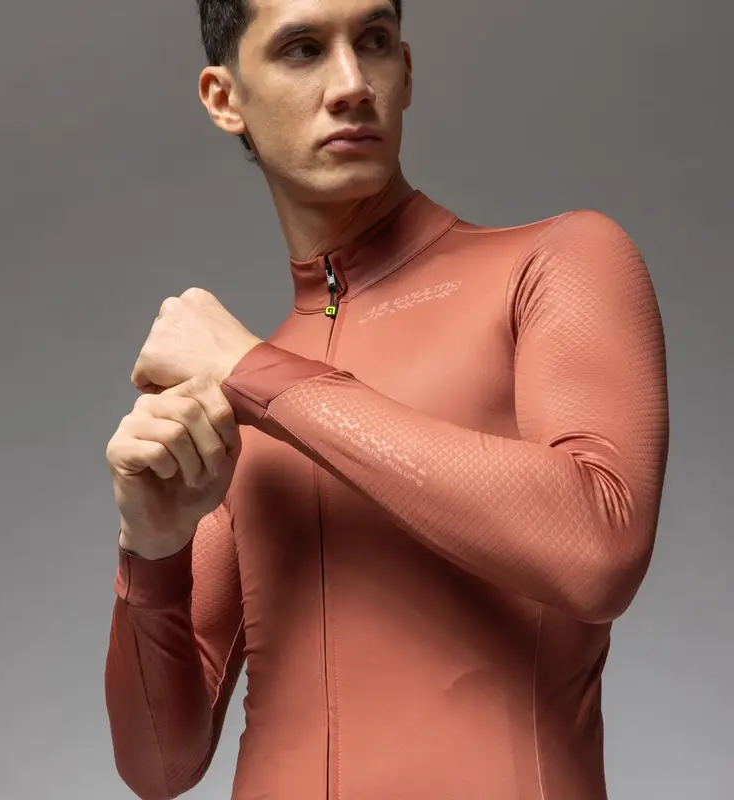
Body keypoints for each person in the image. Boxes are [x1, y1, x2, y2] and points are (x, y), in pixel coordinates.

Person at [103, 0, 670, 797]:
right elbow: (159, 764)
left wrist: (261, 375)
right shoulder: (237, 403)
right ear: (225, 98)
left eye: (372, 41)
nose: (350, 84)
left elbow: (598, 548)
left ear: (404, 72)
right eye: (303, 49)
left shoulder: (554, 266)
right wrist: (151, 549)